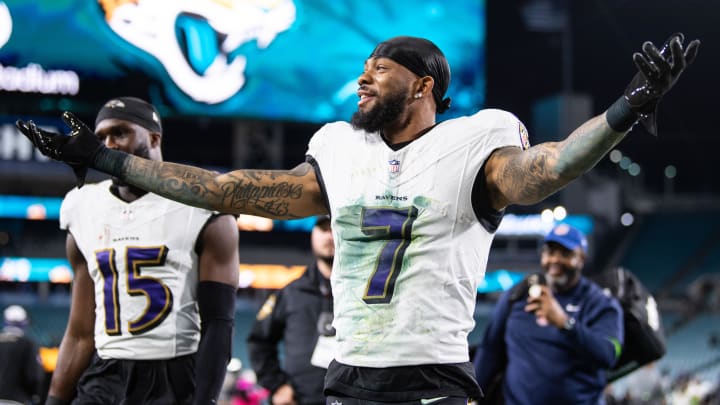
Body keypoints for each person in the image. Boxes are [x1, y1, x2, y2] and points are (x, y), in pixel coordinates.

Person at [16, 33, 699, 402]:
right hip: (348, 380)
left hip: (432, 379)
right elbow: (224, 189)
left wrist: (627, 110)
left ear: (425, 84)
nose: (363, 77)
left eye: (380, 68)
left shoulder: (470, 142)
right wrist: (116, 166)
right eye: (362, 68)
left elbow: (547, 168)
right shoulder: (339, 151)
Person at [42, 97, 240, 405]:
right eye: (101, 137)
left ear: (154, 137)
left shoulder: (200, 203)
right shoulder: (82, 206)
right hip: (105, 376)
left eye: (120, 133)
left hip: (171, 377)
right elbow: (81, 331)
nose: (109, 145)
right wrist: (54, 400)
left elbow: (218, 323)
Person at [473, 224, 624, 404]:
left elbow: (608, 355)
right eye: (550, 252)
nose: (555, 260)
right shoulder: (517, 296)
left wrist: (564, 323)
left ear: (581, 258)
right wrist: (473, 396)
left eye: (565, 254)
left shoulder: (599, 302)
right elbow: (490, 350)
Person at [247, 215, 335, 405]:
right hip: (301, 399)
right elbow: (259, 341)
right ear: (313, 234)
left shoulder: (364, 292)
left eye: (335, 228)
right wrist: (277, 386)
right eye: (323, 229)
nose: (329, 236)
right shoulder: (291, 293)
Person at [0, 305, 44, 404]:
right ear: (24, 323)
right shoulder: (28, 344)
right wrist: (36, 394)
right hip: (17, 400)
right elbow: (35, 376)